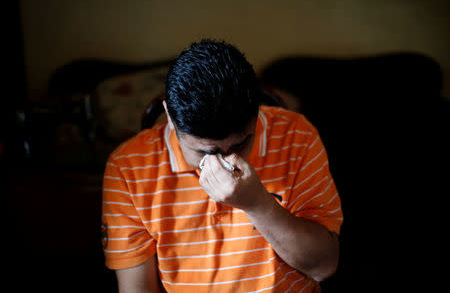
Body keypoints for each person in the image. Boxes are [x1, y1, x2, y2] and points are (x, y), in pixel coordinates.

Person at [102, 39, 343, 292]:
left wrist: (259, 204)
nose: (228, 162)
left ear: (257, 113)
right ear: (171, 118)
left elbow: (323, 267)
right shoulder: (128, 168)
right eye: (208, 152)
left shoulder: (297, 136)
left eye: (241, 145)